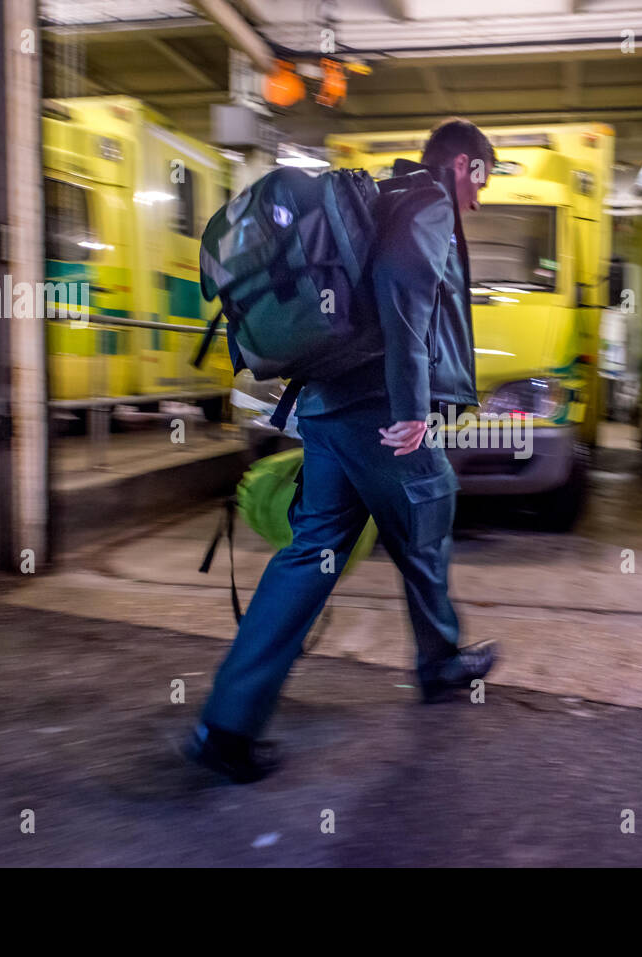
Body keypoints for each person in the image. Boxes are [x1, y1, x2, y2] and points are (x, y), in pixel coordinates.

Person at [185, 118, 499, 784]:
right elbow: (404, 288)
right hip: (378, 411)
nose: (479, 198)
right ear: (466, 167)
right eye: (483, 181)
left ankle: (227, 721)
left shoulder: (383, 197)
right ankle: (440, 662)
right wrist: (414, 408)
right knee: (429, 511)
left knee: (314, 552)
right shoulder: (428, 202)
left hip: (327, 406)